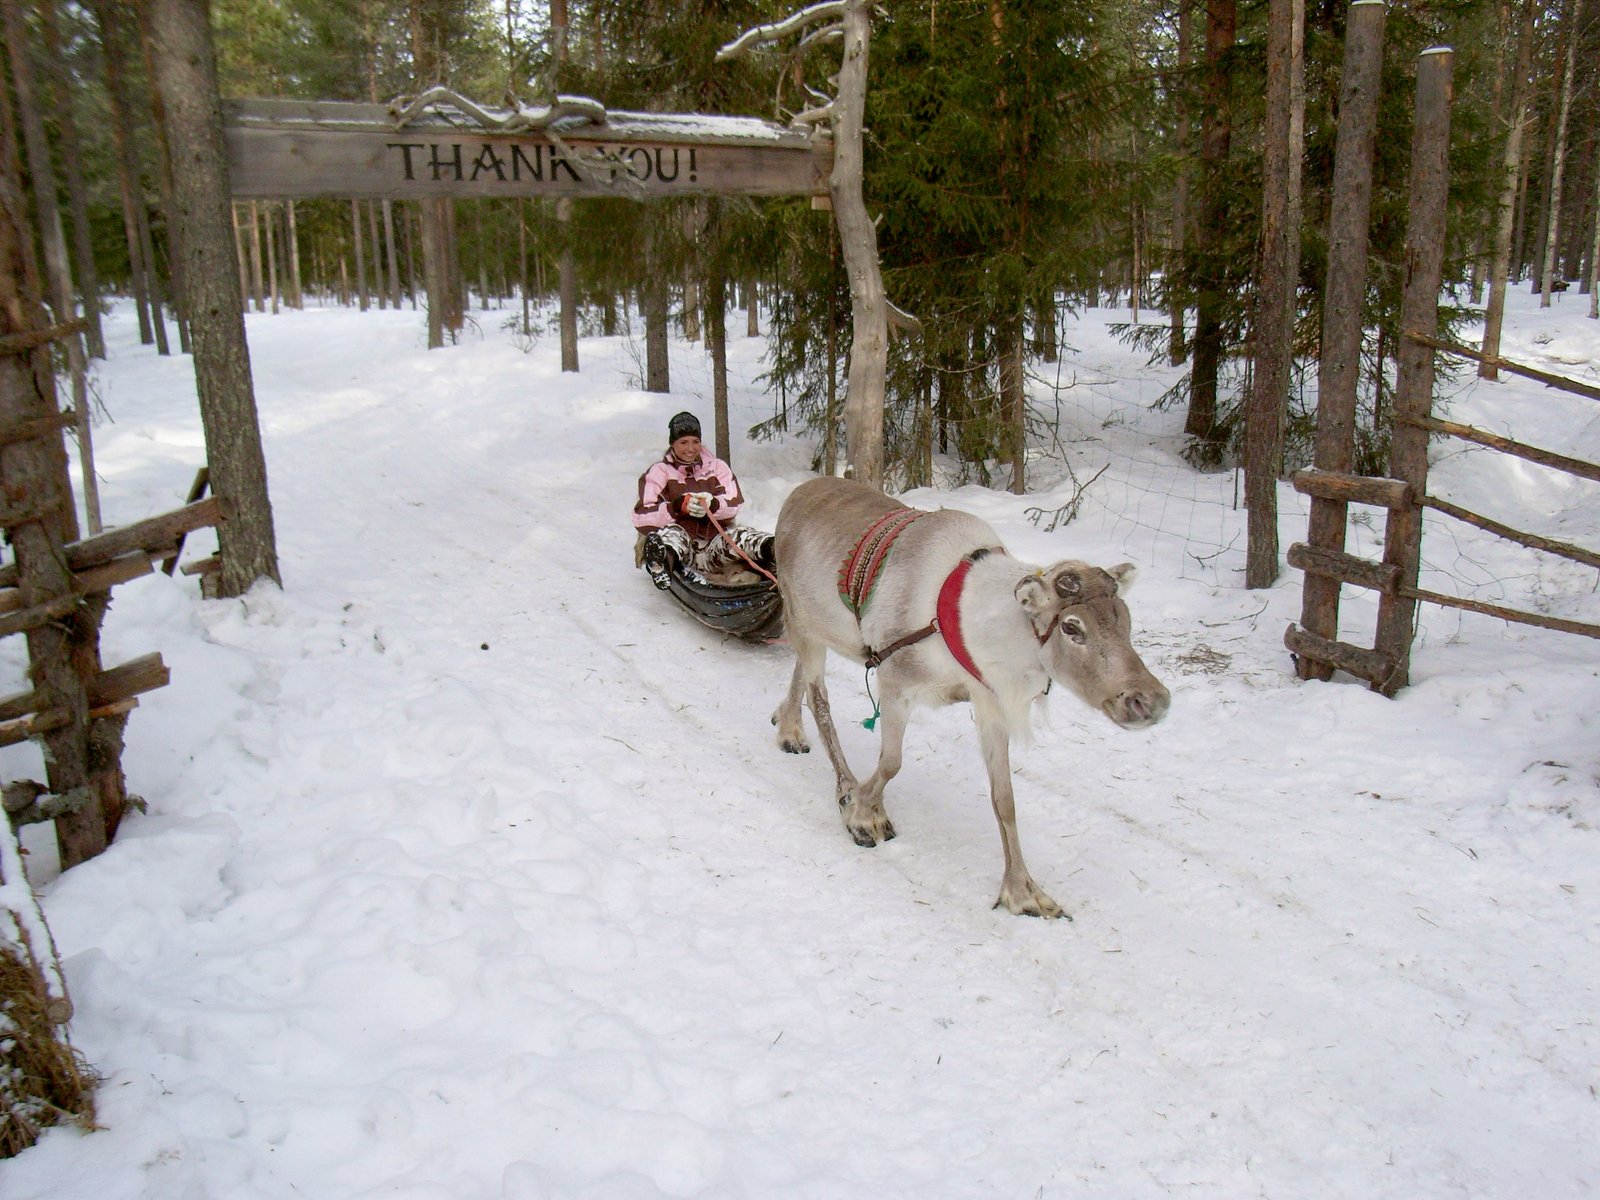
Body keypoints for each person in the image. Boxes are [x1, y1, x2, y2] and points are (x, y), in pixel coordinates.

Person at [633, 411, 775, 589]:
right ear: (672, 443)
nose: (690, 449)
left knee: (741, 536)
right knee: (672, 534)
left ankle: (775, 552)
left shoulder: (717, 467)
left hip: (715, 548)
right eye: (683, 442)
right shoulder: (660, 472)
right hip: (683, 550)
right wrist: (676, 508)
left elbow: (733, 504)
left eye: (695, 442)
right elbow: (642, 515)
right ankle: (661, 565)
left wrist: (713, 505)